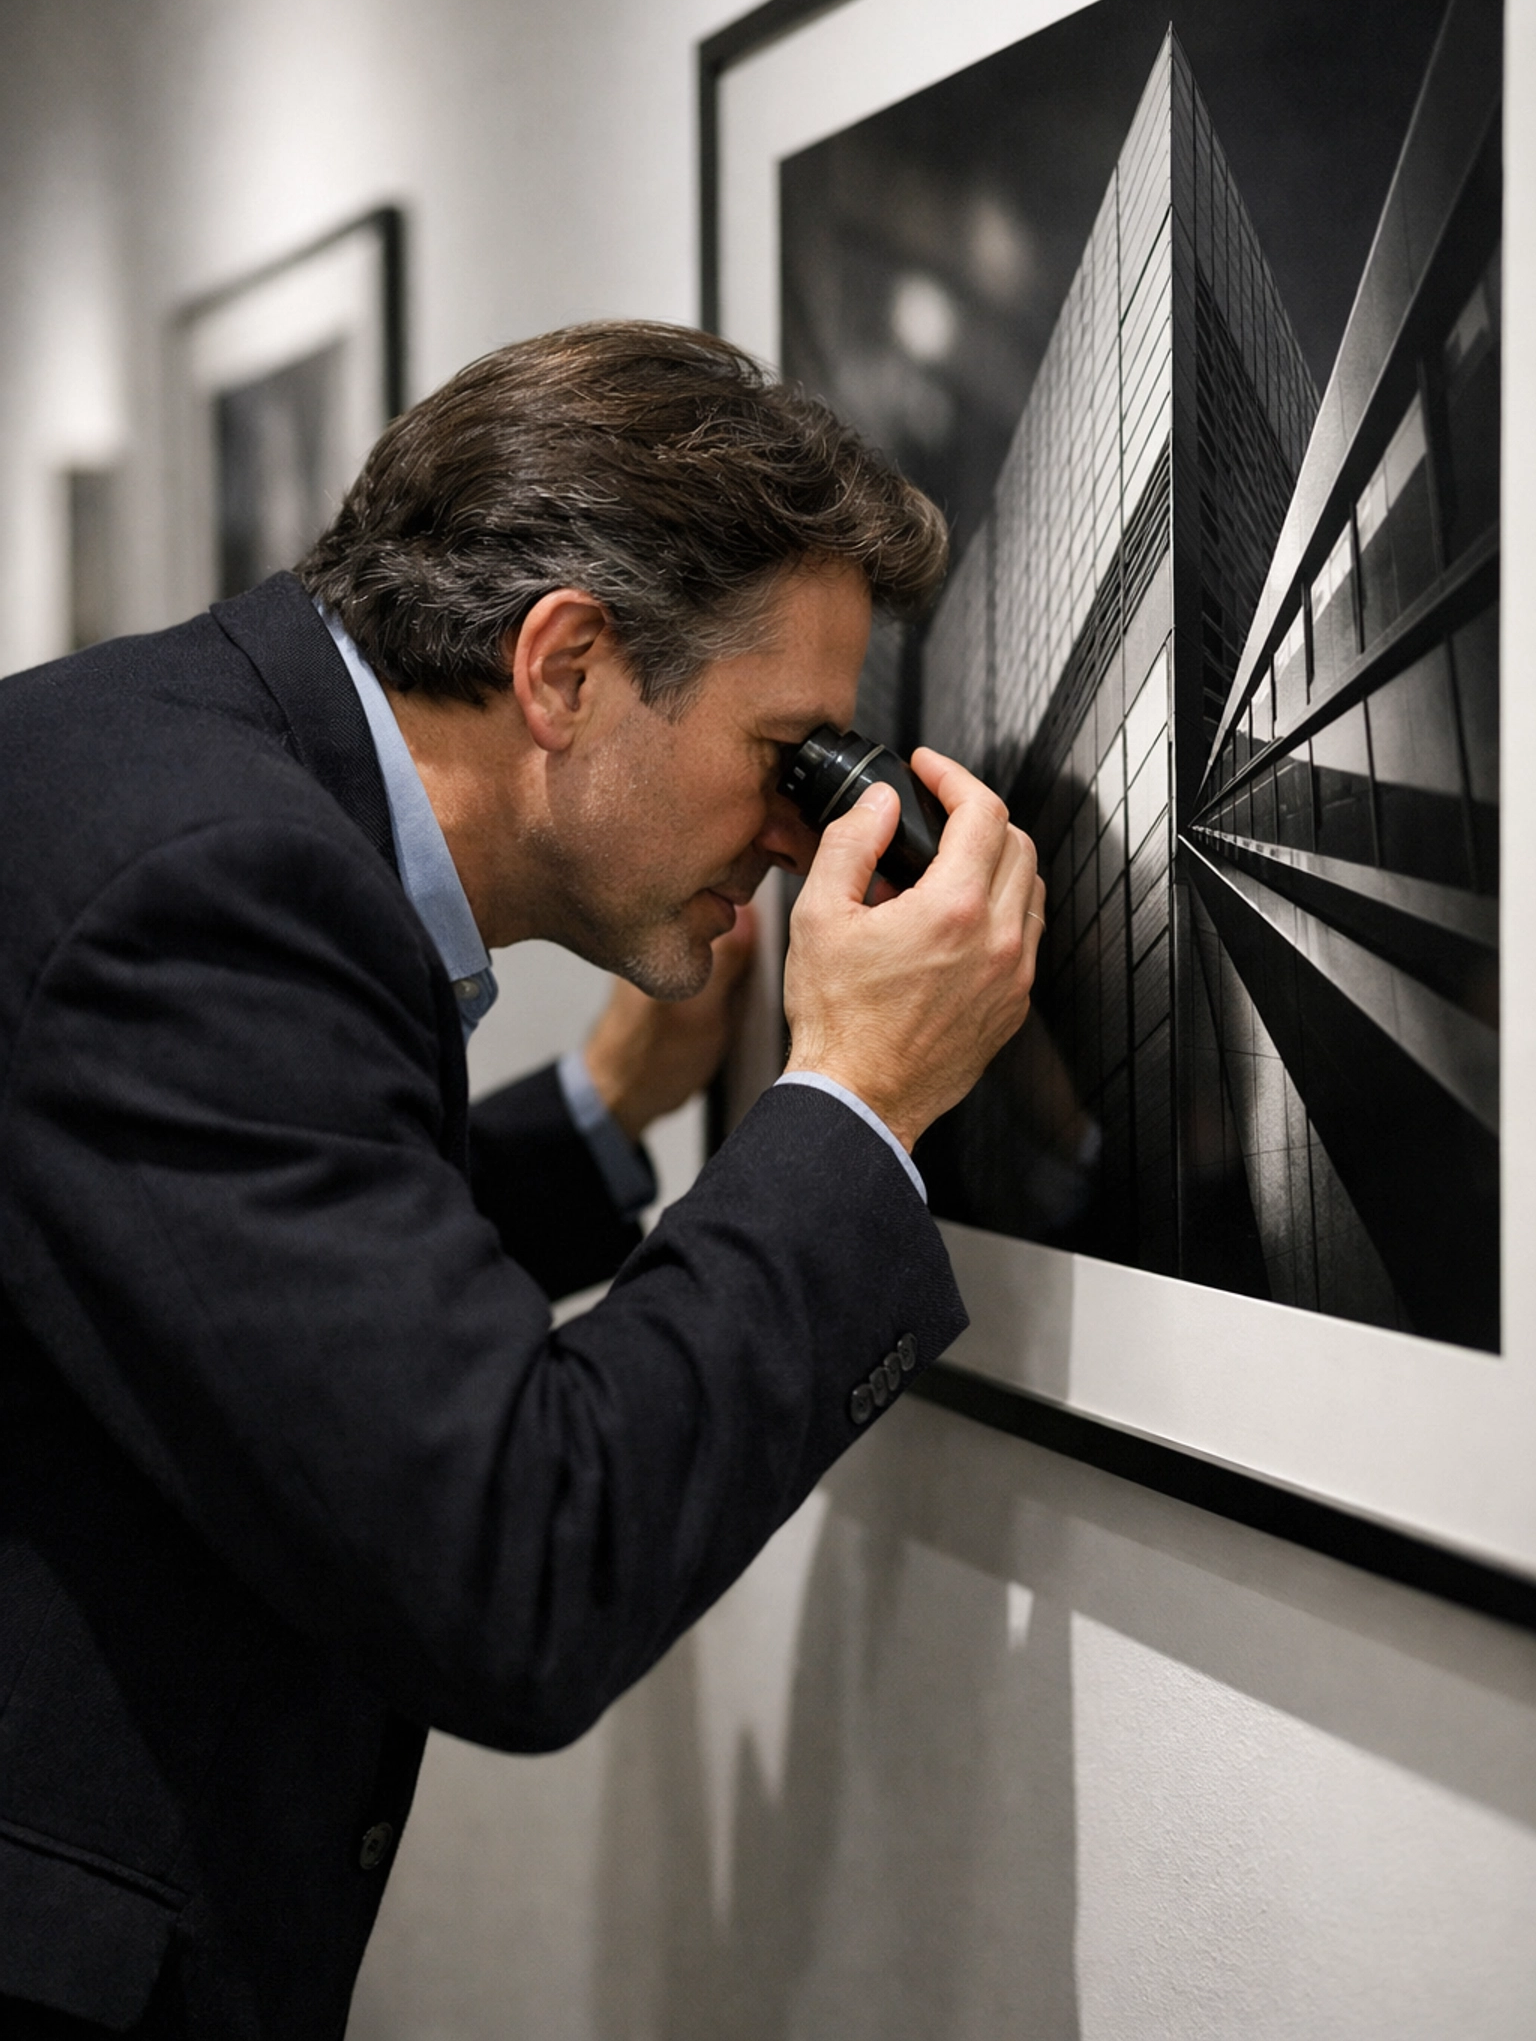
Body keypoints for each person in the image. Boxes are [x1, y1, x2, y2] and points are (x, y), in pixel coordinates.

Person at [0, 322, 1042, 2036]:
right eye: (790, 756)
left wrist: (596, 1122)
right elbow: (515, 1563)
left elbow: (225, 1272)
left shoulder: (173, 760)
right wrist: (850, 1101)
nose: (804, 838)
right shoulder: (214, 886)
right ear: (563, 668)